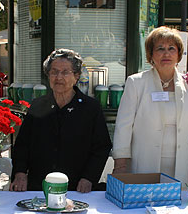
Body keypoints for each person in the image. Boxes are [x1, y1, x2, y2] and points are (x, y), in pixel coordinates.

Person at [112, 27, 188, 189]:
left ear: (179, 54)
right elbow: (124, 126)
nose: (166, 53)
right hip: (144, 164)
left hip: (180, 167)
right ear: (151, 55)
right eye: (160, 48)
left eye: (171, 48)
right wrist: (120, 164)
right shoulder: (136, 83)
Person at [10, 49, 112, 193]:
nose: (59, 77)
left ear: (76, 76)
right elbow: (22, 145)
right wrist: (20, 174)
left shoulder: (91, 108)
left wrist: (89, 178)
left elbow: (102, 147)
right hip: (39, 187)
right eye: (54, 72)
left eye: (65, 72)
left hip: (77, 188)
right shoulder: (37, 105)